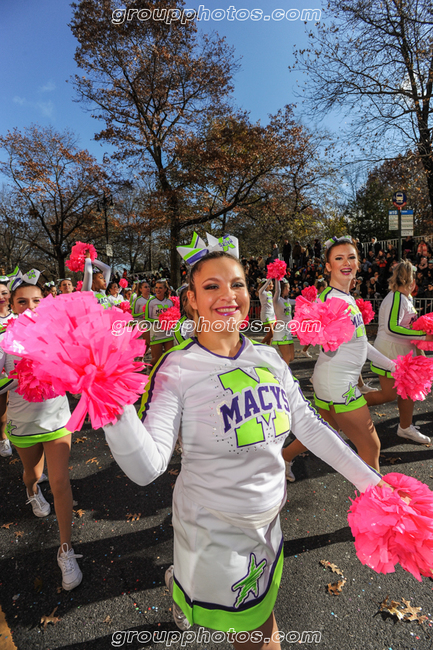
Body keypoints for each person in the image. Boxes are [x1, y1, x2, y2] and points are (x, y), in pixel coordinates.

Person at [101, 247, 393, 647]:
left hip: (268, 524)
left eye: (237, 284)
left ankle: (181, 585)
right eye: (211, 285)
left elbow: (309, 425)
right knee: (259, 636)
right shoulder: (176, 368)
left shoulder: (269, 359)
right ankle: (185, 584)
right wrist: (109, 398)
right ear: (191, 300)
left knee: (246, 615)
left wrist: (373, 485)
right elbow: (147, 468)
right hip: (214, 533)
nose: (228, 294)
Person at [283, 236, 396, 481]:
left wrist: (391, 366)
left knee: (323, 431)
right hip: (339, 384)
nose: (346, 262)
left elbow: (360, 344)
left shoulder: (346, 298)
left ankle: (284, 457)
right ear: (328, 266)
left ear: (358, 263)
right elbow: (324, 342)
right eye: (338, 258)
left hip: (330, 380)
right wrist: (317, 330)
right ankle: (375, 511)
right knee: (371, 447)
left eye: (351, 257)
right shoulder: (331, 301)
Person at [0, 276, 82, 590]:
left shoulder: (58, 335)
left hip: (58, 419)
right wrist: (19, 377)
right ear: (13, 305)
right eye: (23, 301)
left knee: (60, 481)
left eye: (37, 301)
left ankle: (66, 550)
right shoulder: (5, 339)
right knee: (31, 474)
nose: (31, 307)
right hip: (23, 425)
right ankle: (32, 492)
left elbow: (75, 373)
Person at [366, 260, 432, 444]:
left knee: (409, 391)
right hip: (390, 352)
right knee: (389, 394)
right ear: (408, 278)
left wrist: (419, 345)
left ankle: (405, 427)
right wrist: (423, 335)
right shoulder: (396, 297)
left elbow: (406, 325)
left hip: (403, 353)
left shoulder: (404, 297)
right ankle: (349, 409)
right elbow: (391, 327)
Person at [0, 281, 15, 457]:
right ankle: (3, 439)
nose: (1, 297)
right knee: (2, 408)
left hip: (18, 369)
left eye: (4, 292)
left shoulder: (19, 315)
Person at [144, 279, 174, 365]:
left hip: (168, 333)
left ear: (165, 289)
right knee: (156, 359)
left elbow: (173, 316)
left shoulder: (170, 302)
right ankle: (149, 371)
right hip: (156, 333)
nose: (158, 290)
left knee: (170, 357)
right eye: (156, 287)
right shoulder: (151, 302)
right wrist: (160, 320)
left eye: (160, 288)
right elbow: (147, 318)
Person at [272, 279, 295, 365]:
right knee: (287, 357)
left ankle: (276, 365)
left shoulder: (288, 300)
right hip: (281, 331)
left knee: (291, 357)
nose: (289, 290)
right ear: (283, 289)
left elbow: (298, 301)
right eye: (287, 288)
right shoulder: (277, 300)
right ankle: (286, 377)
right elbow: (277, 290)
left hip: (288, 331)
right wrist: (277, 278)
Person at [258, 278, 275, 345]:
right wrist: (269, 279)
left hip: (272, 315)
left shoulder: (270, 293)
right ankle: (259, 346)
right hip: (266, 314)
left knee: (270, 336)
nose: (272, 285)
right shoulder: (261, 292)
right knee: (271, 334)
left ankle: (268, 349)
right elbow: (262, 288)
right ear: (267, 284)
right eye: (271, 284)